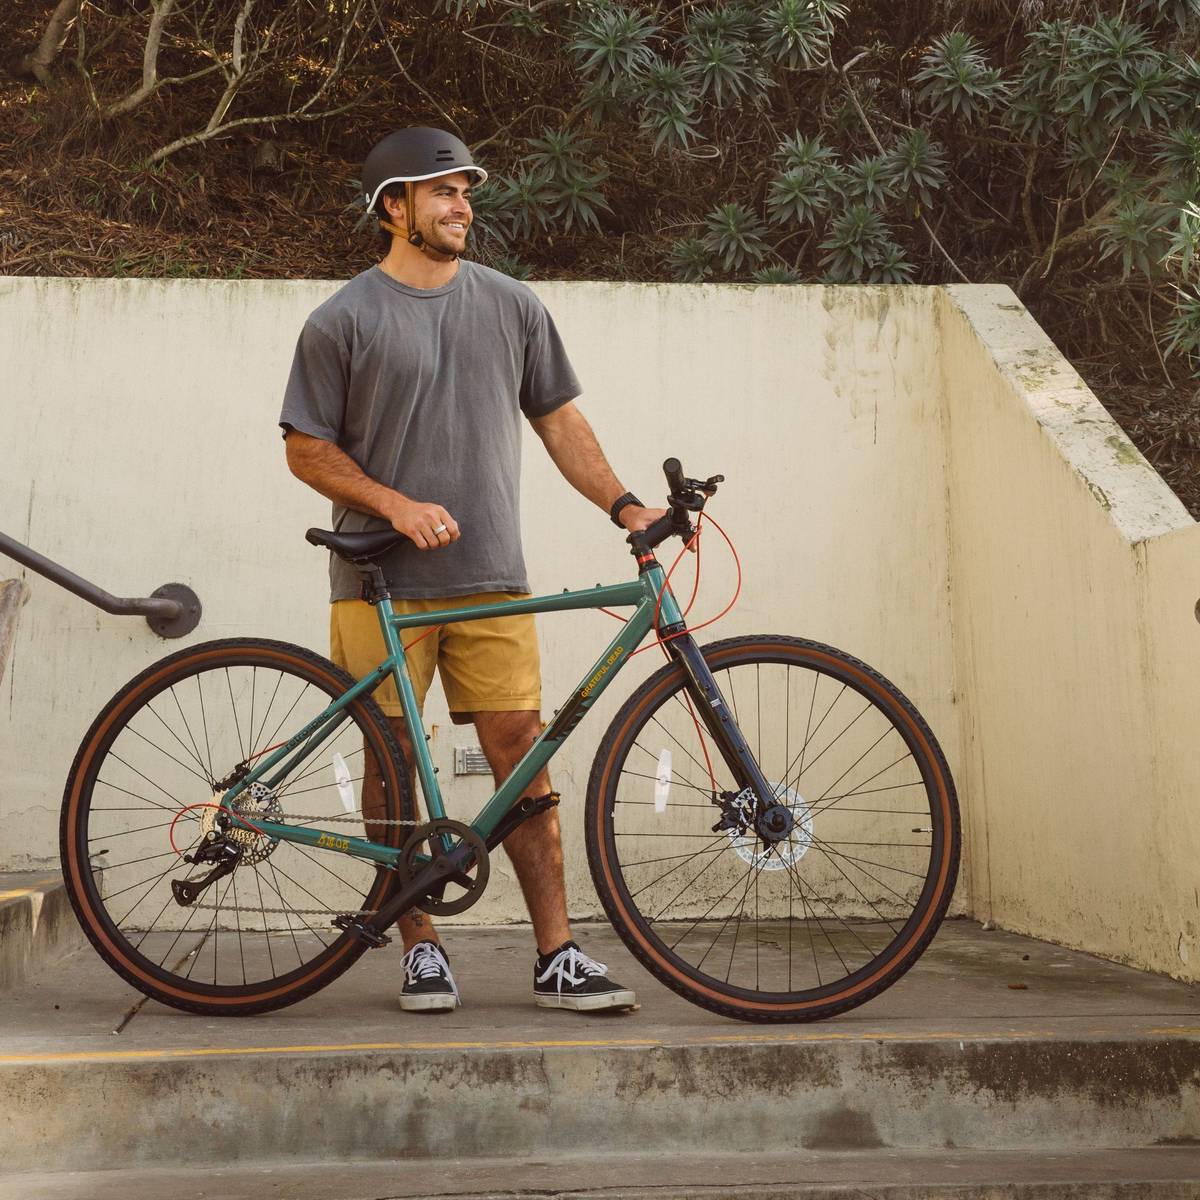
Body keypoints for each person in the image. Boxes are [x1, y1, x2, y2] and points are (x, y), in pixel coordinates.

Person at [279, 127, 664, 1015]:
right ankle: (418, 942)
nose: (462, 206)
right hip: (379, 577)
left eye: (464, 191)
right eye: (441, 192)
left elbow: (561, 424)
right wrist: (392, 503)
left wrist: (626, 504)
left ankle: (558, 952)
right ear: (393, 207)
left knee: (519, 749)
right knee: (392, 763)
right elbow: (306, 447)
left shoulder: (512, 306)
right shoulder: (343, 319)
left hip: (491, 569)